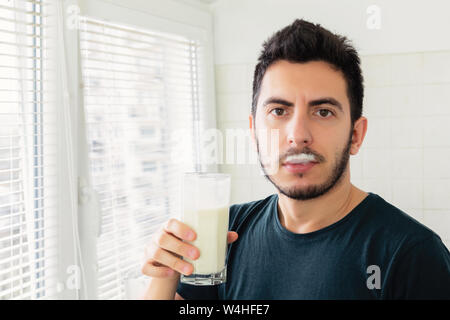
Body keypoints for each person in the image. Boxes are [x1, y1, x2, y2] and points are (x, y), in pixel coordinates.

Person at [141, 19, 450, 300]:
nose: (297, 134)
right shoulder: (228, 233)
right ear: (254, 132)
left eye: (323, 111)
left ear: (355, 135)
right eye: (279, 111)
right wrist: (164, 277)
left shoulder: (411, 254)